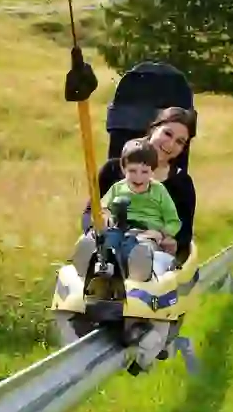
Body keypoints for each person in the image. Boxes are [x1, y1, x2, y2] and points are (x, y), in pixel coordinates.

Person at [79, 106, 197, 265]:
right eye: (167, 134)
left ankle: (138, 269)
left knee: (149, 257)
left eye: (179, 142)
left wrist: (165, 237)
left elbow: (184, 235)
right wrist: (100, 224)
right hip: (112, 235)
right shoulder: (112, 170)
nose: (170, 145)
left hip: (152, 246)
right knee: (100, 246)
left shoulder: (182, 184)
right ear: (154, 128)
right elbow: (90, 212)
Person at [78, 139, 182, 281]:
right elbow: (103, 207)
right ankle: (92, 264)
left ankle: (140, 273)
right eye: (132, 171)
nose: (138, 177)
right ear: (123, 169)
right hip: (119, 229)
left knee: (144, 249)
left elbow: (173, 221)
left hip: (146, 234)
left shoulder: (159, 191)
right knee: (107, 241)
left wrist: (161, 234)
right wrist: (105, 216)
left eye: (144, 172)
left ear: (153, 171)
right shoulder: (118, 188)